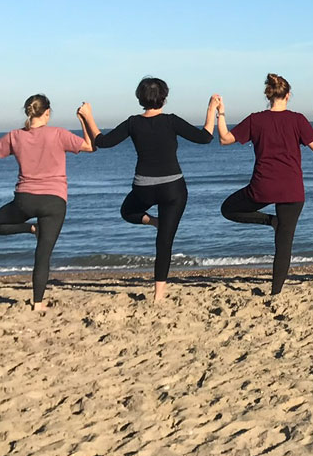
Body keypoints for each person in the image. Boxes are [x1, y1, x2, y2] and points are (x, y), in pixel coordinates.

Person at [0, 95, 94, 311]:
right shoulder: (58, 133)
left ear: (28, 112)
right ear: (47, 113)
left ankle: (31, 229)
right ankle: (38, 303)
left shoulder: (15, 136)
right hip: (55, 202)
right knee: (43, 255)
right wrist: (83, 120)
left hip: (25, 200)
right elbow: (89, 146)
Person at [79, 78, 219, 300]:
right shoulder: (171, 121)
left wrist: (87, 117)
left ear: (140, 98)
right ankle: (158, 295)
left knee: (128, 212)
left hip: (144, 187)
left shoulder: (133, 123)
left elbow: (103, 142)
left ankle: (154, 222)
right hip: (174, 189)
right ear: (164, 97)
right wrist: (212, 109)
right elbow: (205, 137)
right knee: (164, 242)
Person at [216, 73, 313, 294]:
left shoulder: (256, 119)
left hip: (262, 187)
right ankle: (275, 292)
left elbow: (224, 138)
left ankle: (271, 221)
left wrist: (221, 113)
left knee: (228, 209)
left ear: (269, 96)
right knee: (283, 245)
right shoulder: (297, 119)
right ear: (287, 96)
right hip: (292, 190)